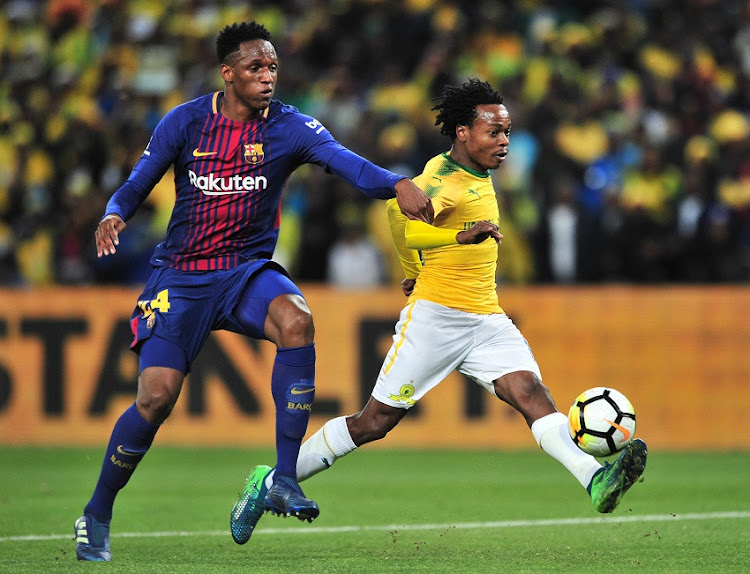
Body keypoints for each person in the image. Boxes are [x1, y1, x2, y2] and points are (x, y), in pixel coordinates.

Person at [74, 21, 433, 562]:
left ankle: (284, 477)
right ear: (228, 74)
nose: (268, 78)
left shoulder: (290, 127)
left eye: (272, 68)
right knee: (156, 398)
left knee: (297, 320)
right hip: (181, 278)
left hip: (244, 271)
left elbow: (345, 163)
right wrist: (114, 212)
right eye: (255, 69)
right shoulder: (186, 121)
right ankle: (97, 511)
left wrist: (396, 182)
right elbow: (141, 177)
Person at [238, 79, 648, 541]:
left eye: (508, 132)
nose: (504, 142)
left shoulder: (474, 173)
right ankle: (271, 481)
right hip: (436, 316)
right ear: (461, 132)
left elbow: (400, 217)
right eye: (493, 132)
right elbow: (409, 223)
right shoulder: (443, 179)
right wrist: (451, 241)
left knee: (532, 394)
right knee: (374, 423)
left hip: (486, 318)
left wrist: (413, 264)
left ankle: (595, 479)